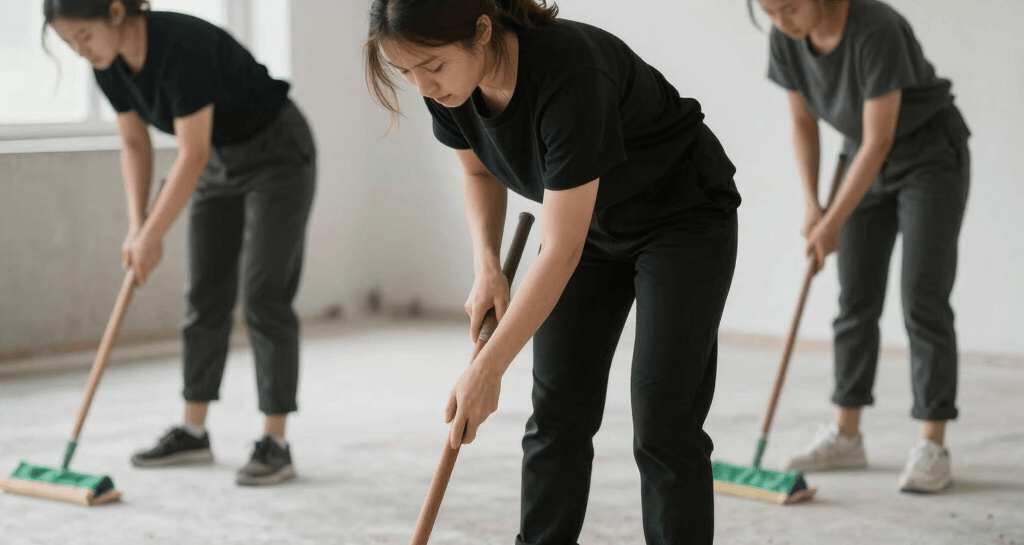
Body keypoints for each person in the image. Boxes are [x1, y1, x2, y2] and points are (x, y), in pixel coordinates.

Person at [366, 0, 741, 542]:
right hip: (589, 225)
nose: (424, 87)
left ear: (482, 31)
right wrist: (488, 267)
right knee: (557, 411)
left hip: (680, 218)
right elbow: (477, 171)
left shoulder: (571, 71)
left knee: (664, 420)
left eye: (433, 66)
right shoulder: (449, 90)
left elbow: (560, 250)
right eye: (407, 73)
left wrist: (488, 369)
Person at [45, 0, 317, 486]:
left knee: (262, 295)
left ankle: (275, 441)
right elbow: (134, 142)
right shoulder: (107, 66)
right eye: (69, 45)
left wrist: (154, 234)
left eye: (83, 37)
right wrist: (137, 228)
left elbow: (190, 152)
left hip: (276, 154)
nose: (80, 52)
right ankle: (194, 431)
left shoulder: (181, 44)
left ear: (114, 12)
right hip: (219, 162)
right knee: (205, 294)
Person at [751, 0, 971, 492]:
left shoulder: (878, 29)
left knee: (923, 298)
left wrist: (834, 218)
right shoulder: (785, 40)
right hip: (861, 162)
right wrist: (813, 206)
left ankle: (933, 443)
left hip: (928, 158)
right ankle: (847, 433)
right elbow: (803, 123)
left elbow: (880, 139)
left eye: (788, 7)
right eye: (768, 12)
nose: (781, 21)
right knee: (855, 299)